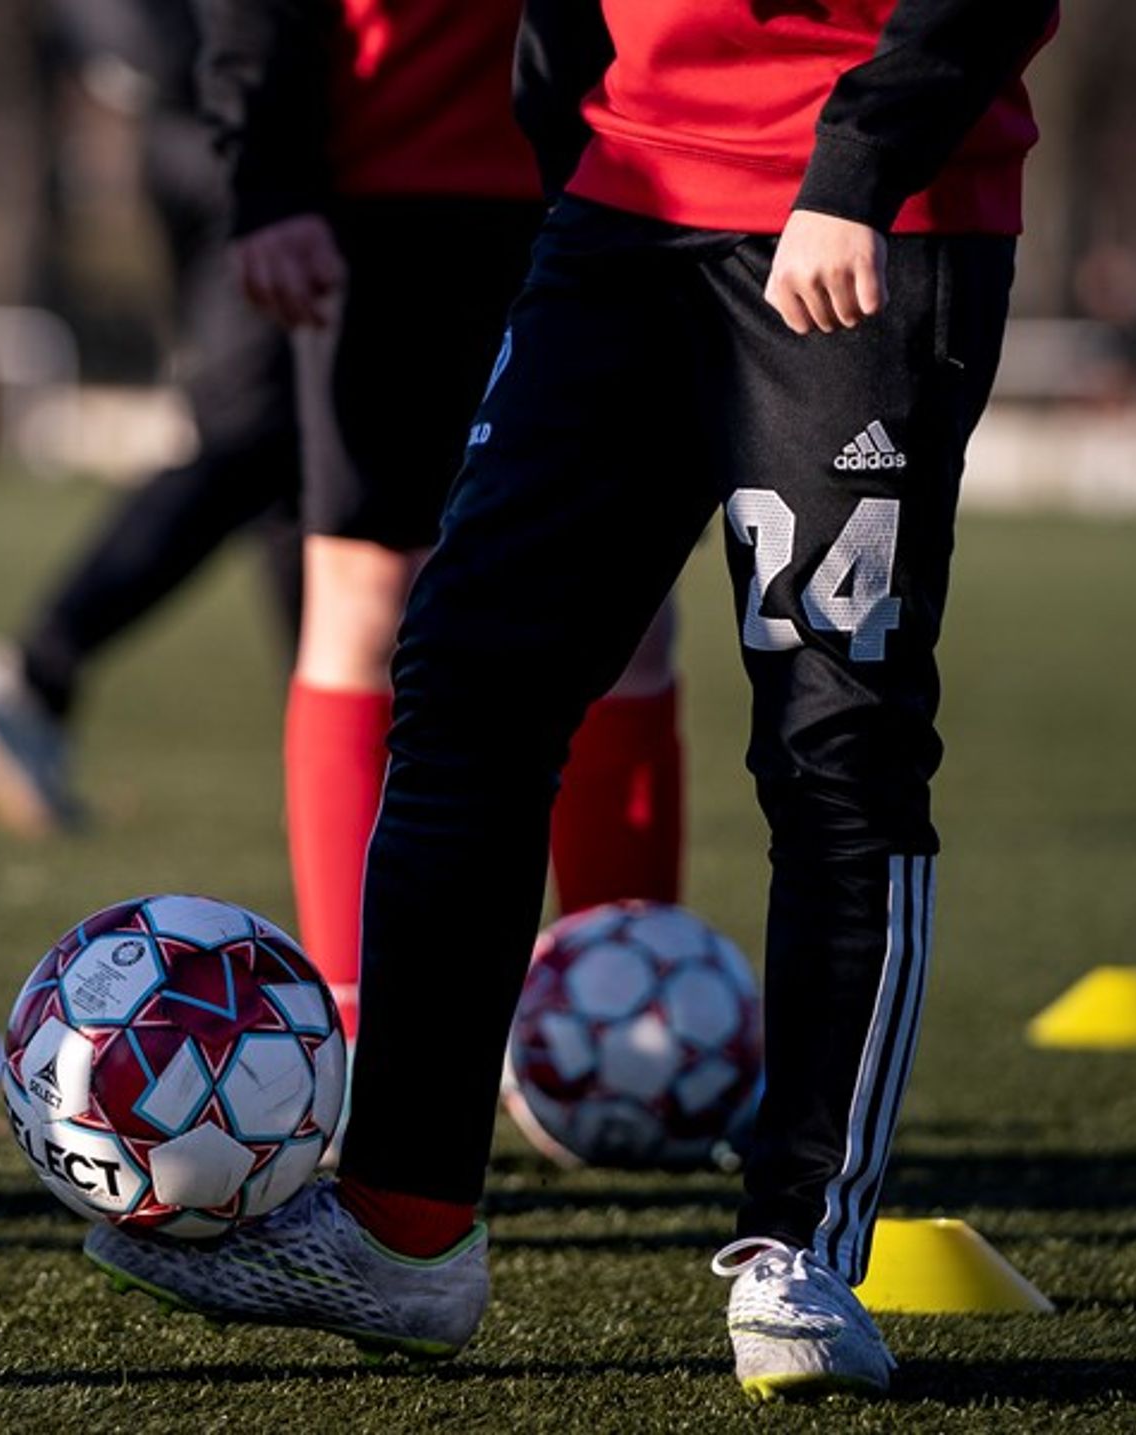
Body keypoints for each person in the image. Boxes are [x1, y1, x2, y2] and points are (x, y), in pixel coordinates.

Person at [83, 0, 1055, 1401]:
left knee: (835, 736)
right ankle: (401, 1225)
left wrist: (861, 162)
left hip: (859, 223)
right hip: (617, 211)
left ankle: (799, 1242)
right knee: (467, 679)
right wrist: (574, 142)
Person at [197, 0, 686, 1038]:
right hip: (386, 194)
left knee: (629, 607)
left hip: (624, 174)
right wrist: (268, 175)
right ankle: (358, 1024)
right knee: (369, 593)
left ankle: (633, 1019)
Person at [0, 0, 304, 840]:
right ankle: (35, 670)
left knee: (297, 465)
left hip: (223, 131)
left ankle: (341, 750)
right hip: (239, 140)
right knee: (257, 434)